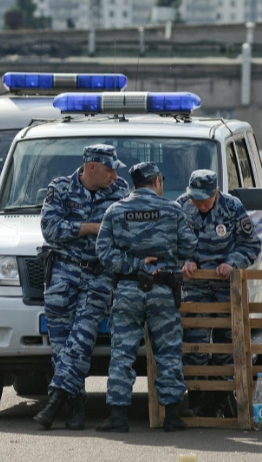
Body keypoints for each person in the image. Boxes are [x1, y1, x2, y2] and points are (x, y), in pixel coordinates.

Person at [95, 162, 197, 433]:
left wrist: (134, 264)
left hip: (128, 291)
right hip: (163, 290)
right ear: (156, 182)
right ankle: (172, 416)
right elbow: (189, 244)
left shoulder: (115, 211)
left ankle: (118, 417)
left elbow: (103, 252)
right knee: (169, 352)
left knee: (122, 353)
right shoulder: (172, 209)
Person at [34, 144, 129, 430]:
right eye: (109, 169)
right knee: (61, 345)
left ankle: (55, 401)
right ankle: (76, 405)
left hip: (98, 275)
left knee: (82, 338)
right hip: (63, 273)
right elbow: (50, 229)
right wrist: (89, 228)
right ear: (91, 168)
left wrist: (76, 229)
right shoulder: (60, 188)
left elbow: (123, 232)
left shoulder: (120, 191)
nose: (114, 175)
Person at [177, 169, 261, 417]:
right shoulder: (181, 206)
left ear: (216, 192)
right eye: (196, 199)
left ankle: (224, 398)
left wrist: (232, 262)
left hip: (225, 286)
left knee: (227, 342)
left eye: (205, 199)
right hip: (195, 287)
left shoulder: (233, 207)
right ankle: (198, 400)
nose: (200, 205)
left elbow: (251, 244)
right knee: (196, 343)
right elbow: (169, 243)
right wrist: (185, 260)